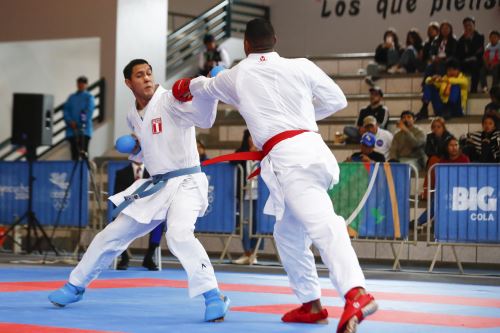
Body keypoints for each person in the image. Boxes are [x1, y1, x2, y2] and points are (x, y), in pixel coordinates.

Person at [174, 18, 378, 333]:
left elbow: (205, 86)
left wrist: (185, 85)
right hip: (311, 147)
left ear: (245, 44)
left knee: (323, 222)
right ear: (276, 39)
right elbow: (337, 100)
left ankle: (356, 292)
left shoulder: (238, 74)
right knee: (288, 233)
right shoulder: (302, 66)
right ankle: (311, 303)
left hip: (290, 159)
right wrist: (302, 118)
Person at [48, 59, 230, 322]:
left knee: (179, 234)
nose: (146, 78)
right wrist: (135, 148)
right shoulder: (133, 115)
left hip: (186, 181)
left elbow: (204, 118)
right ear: (128, 83)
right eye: (139, 75)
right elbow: (149, 151)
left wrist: (212, 90)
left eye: (149, 73)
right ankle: (75, 286)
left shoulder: (170, 99)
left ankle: (213, 296)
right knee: (110, 234)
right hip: (156, 185)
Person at [113, 161, 165, 271]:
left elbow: (158, 196)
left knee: (160, 222)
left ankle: (148, 258)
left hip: (148, 211)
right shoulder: (121, 173)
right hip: (128, 211)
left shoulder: (154, 173)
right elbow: (118, 197)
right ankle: (124, 258)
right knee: (117, 222)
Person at [417, 136, 470, 226]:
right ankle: (421, 222)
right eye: (451, 145)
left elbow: (467, 177)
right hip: (446, 189)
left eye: (456, 145)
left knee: (437, 201)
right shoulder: (443, 160)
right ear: (446, 147)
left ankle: (419, 222)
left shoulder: (464, 159)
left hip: (461, 190)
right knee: (437, 200)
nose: (454, 147)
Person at [232, 129, 263, 265]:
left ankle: (254, 254)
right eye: (250, 136)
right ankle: (247, 252)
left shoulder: (265, 152)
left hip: (261, 195)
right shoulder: (241, 151)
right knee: (244, 224)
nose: (252, 138)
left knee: (257, 225)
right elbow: (232, 161)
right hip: (245, 193)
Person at [63, 76, 95, 160]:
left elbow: (89, 111)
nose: (81, 85)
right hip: (72, 130)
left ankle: (85, 172)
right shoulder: (71, 97)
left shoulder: (89, 97)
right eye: (79, 83)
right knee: (74, 154)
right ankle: (76, 173)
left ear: (86, 85)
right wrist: (70, 121)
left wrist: (79, 123)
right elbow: (66, 110)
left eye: (83, 83)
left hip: (84, 130)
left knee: (84, 153)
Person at [421, 117, 453, 200]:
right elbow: (428, 151)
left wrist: (439, 140)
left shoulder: (449, 137)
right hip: (434, 160)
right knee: (434, 160)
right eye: (434, 127)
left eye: (438, 127)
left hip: (447, 160)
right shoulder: (430, 137)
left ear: (443, 127)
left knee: (434, 161)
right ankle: (428, 192)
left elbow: (448, 152)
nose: (436, 129)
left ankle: (429, 192)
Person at [456, 17, 484, 93]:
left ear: (474, 25)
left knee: (476, 66)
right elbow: (460, 53)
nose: (468, 27)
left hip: (476, 61)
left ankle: (473, 90)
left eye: (469, 25)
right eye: (465, 26)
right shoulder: (461, 39)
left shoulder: (480, 37)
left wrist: (468, 42)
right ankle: (457, 90)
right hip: (464, 61)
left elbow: (479, 52)